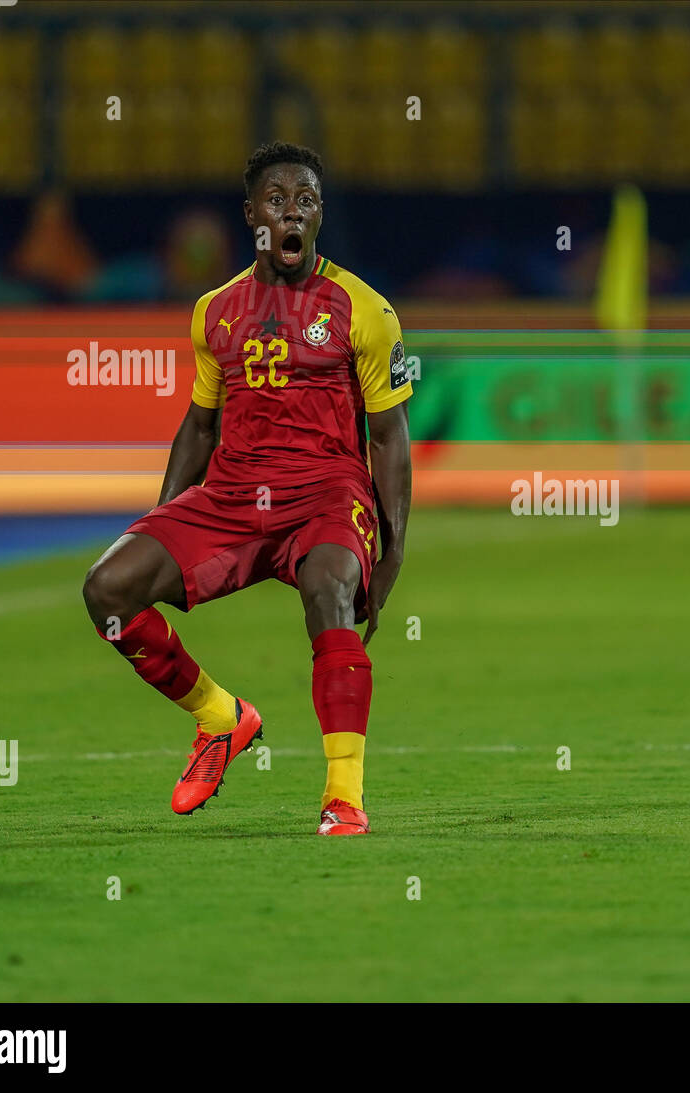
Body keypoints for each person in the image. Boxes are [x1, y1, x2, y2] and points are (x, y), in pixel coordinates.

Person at [82, 143, 412, 836]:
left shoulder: (365, 310)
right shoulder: (214, 311)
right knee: (108, 590)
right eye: (277, 199)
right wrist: (162, 519)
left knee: (329, 593)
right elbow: (200, 426)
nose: (292, 211)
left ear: (318, 217)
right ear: (251, 215)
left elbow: (388, 438)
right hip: (233, 495)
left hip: (325, 491)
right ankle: (220, 717)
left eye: (306, 201)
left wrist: (390, 554)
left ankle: (343, 797)